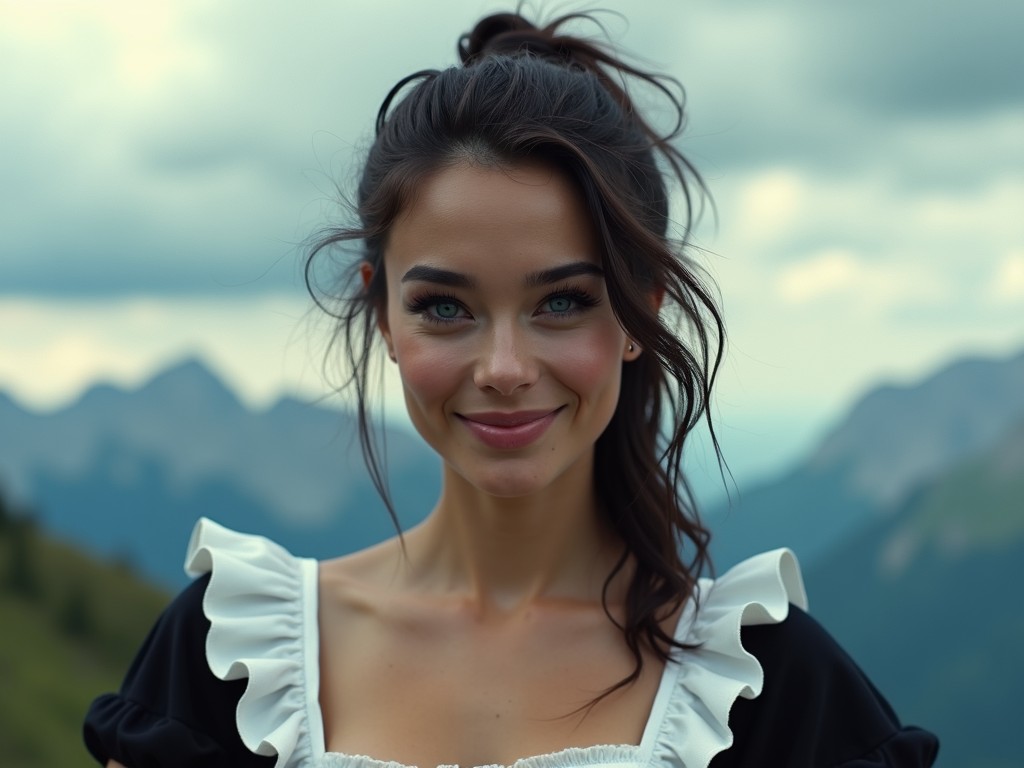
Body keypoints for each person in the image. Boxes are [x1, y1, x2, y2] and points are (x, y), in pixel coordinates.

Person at [84, 11, 938, 768]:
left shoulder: (767, 687)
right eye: (445, 306)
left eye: (562, 302)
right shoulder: (225, 659)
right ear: (381, 310)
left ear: (643, 311)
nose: (502, 367)